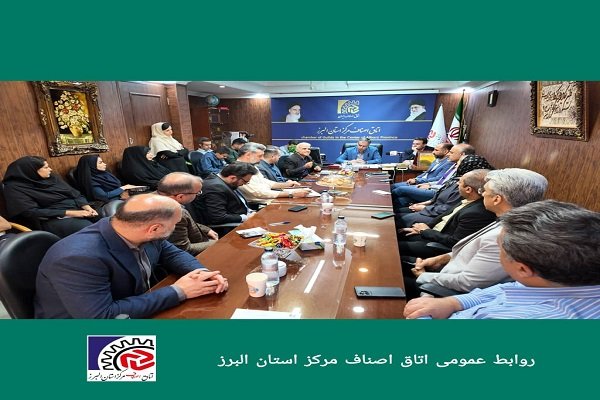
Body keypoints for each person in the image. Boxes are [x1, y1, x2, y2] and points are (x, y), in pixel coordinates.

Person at [34, 194, 228, 318]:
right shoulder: (77, 258)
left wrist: (202, 274)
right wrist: (179, 291)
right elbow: (102, 316)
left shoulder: (134, 229)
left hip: (135, 302)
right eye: (174, 224)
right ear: (154, 229)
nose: (175, 227)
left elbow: (172, 253)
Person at [404, 200, 600, 319]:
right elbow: (510, 288)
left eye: (500, 248)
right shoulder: (548, 279)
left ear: (523, 269)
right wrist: (454, 303)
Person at [404, 168, 548, 298]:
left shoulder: (504, 236)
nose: (482, 194)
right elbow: (475, 250)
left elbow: (467, 283)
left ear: (497, 199)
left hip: (444, 292)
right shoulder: (507, 219)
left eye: (485, 191)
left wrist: (423, 276)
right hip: (445, 273)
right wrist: (441, 258)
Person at [398, 169, 496, 259]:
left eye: (460, 182)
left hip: (439, 245)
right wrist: (424, 227)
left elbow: (455, 242)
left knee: (396, 246)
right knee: (399, 233)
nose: (457, 184)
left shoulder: (476, 213)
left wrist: (426, 231)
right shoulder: (469, 199)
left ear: (468, 189)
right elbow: (443, 216)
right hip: (433, 233)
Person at [2, 156, 98, 238]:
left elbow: (75, 193)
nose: (50, 169)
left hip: (77, 208)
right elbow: (30, 212)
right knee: (89, 230)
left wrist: (86, 207)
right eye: (46, 167)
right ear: (31, 171)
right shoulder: (14, 187)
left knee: (104, 219)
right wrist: (72, 213)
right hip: (52, 218)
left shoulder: (52, 177)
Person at [395, 154, 494, 228]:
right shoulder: (456, 179)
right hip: (433, 207)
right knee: (399, 208)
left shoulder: (467, 186)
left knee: (401, 218)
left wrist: (424, 208)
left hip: (436, 214)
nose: (455, 166)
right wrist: (426, 203)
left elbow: (447, 209)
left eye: (458, 164)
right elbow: (440, 195)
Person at [393, 144, 475, 210]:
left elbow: (446, 185)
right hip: (432, 186)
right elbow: (442, 179)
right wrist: (428, 184)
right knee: (402, 200)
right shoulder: (452, 164)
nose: (448, 154)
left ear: (462, 154)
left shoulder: (462, 169)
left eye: (451, 152)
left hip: (437, 192)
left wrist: (429, 185)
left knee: (400, 189)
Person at [156, 173, 218, 256]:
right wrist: (216, 243)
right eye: (197, 193)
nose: (198, 195)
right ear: (180, 197)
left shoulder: (155, 196)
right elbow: (183, 249)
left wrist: (206, 230)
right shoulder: (174, 214)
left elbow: (186, 223)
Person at [235, 143, 307, 204]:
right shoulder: (238, 169)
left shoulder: (252, 166)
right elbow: (258, 192)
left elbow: (265, 181)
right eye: (259, 156)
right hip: (260, 204)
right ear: (248, 155)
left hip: (269, 199)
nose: (262, 158)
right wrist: (291, 194)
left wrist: (286, 184)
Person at [191, 162, 258, 226]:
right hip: (230, 227)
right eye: (245, 181)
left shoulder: (225, 182)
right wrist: (245, 218)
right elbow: (218, 217)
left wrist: (250, 212)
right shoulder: (215, 188)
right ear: (233, 178)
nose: (244, 184)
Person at [74, 154, 141, 204]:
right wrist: (123, 188)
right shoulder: (90, 180)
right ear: (91, 166)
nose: (105, 164)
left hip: (120, 195)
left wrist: (124, 191)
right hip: (107, 202)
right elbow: (103, 196)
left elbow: (118, 185)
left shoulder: (104, 173)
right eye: (100, 162)